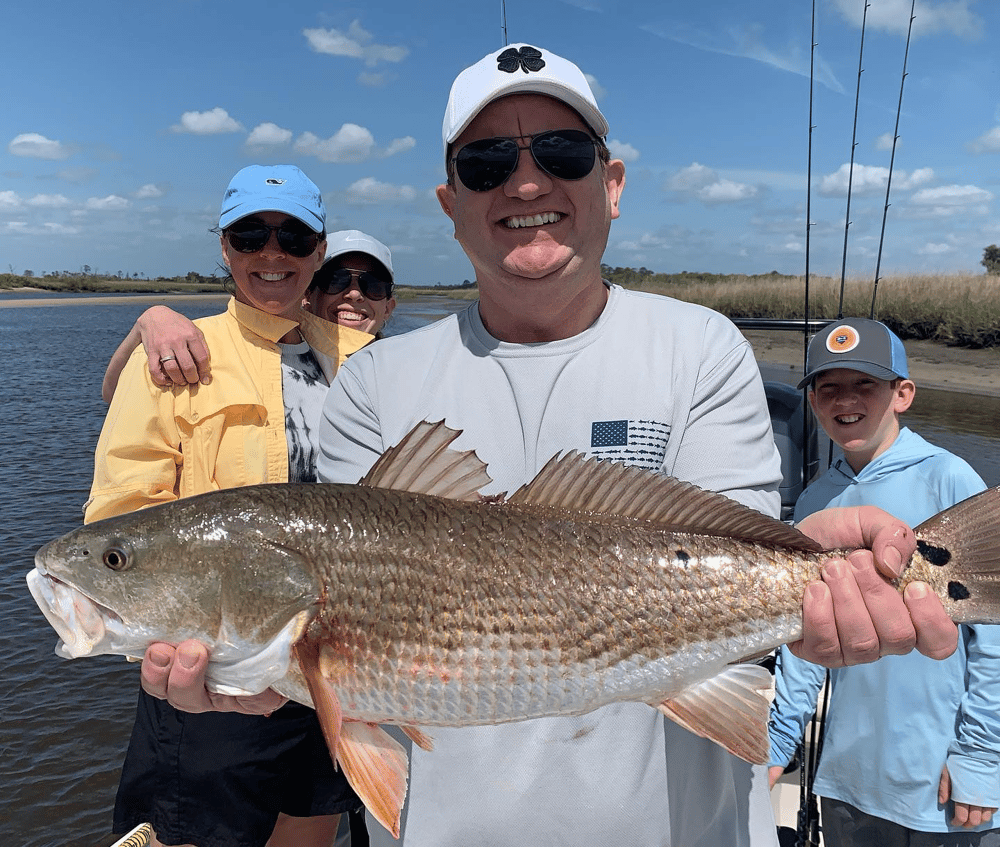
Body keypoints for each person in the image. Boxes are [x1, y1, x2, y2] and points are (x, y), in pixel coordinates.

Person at [138, 46, 958, 845]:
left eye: (563, 152)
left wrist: (813, 593)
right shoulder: (373, 384)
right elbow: (348, 663)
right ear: (449, 201)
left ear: (613, 182)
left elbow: (735, 550)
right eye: (487, 164)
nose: (527, 182)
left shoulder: (701, 345)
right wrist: (258, 680)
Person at [86, 166, 373, 847]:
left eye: (293, 236)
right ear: (224, 248)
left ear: (319, 250)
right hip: (211, 679)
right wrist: (145, 323)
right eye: (251, 235)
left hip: (341, 662)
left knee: (311, 826)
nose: (272, 253)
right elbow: (119, 523)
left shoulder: (365, 359)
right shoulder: (177, 355)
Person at [768, 319, 1000, 845]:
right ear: (812, 402)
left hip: (940, 779)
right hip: (849, 777)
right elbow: (808, 638)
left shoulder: (951, 479)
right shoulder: (813, 501)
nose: (844, 399)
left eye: (864, 384)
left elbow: (993, 636)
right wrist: (779, 741)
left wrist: (981, 759)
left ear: (903, 394)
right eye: (828, 387)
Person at [101, 228, 396, 403]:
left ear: (389, 307)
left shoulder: (403, 371)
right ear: (308, 294)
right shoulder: (273, 358)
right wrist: (149, 322)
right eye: (336, 281)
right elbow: (116, 394)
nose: (355, 294)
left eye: (374, 286)